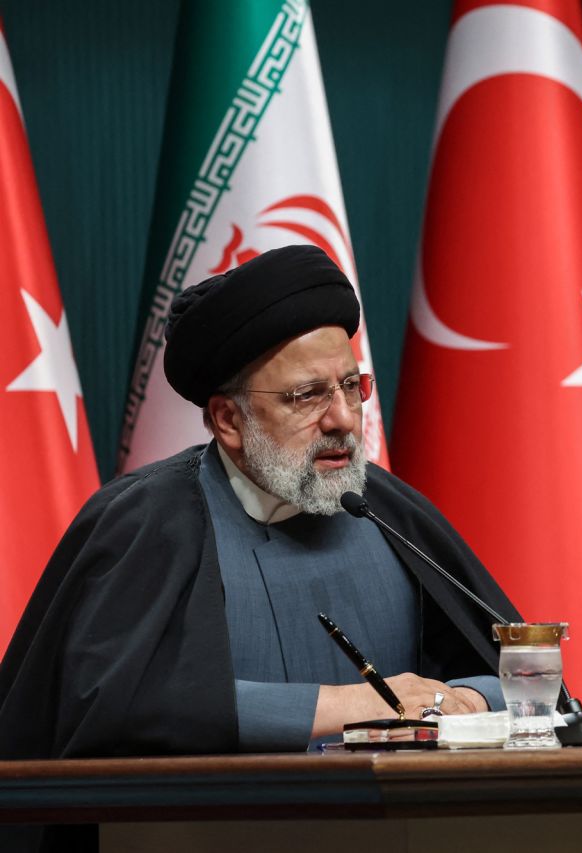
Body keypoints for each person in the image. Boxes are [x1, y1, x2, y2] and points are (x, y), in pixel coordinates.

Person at [0, 245, 519, 760]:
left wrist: (461, 702)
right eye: (308, 395)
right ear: (228, 420)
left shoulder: (386, 509)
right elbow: (112, 708)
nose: (342, 418)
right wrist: (356, 704)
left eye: (350, 387)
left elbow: (524, 678)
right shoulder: (148, 521)